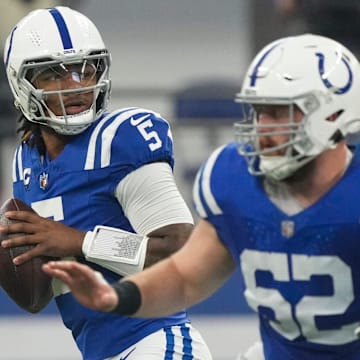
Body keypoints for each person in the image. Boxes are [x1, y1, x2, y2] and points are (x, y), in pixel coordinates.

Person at [43, 33, 360, 360]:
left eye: (279, 113)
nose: (262, 127)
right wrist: (116, 297)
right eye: (258, 111)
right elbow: (184, 277)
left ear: (333, 116)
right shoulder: (235, 178)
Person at [0, 6, 212, 360]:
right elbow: (36, 297)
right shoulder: (25, 160)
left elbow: (180, 249)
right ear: (21, 84)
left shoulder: (120, 138)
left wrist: (78, 241)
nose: (76, 84)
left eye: (86, 68)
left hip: (156, 342)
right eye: (54, 73)